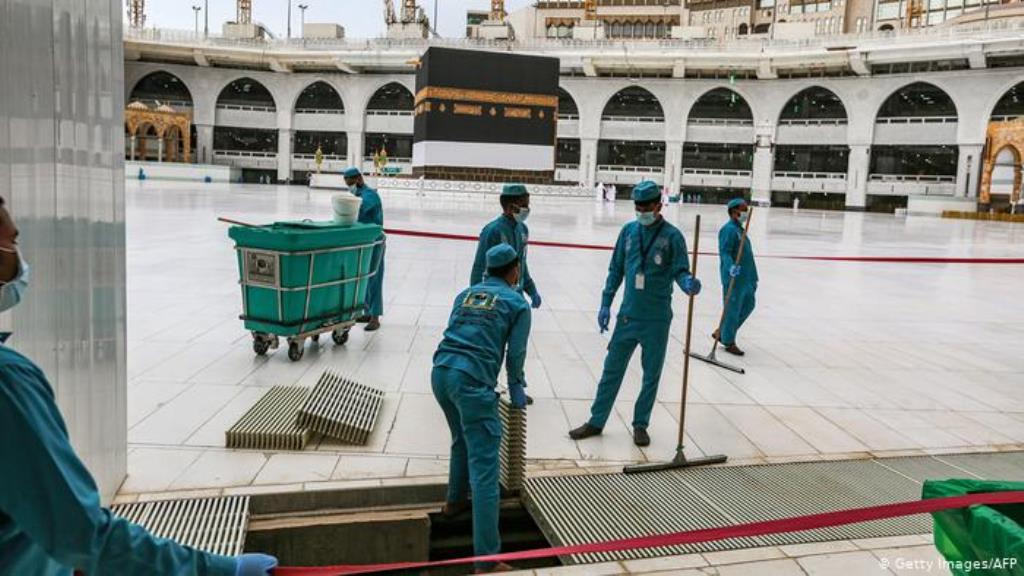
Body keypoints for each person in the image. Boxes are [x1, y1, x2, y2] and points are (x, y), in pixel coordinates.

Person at [0, 197, 276, 576]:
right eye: (12, 244)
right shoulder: (6, 385)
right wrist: (215, 570)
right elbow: (83, 536)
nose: (18, 258)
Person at [569, 180, 702, 447]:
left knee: (651, 375)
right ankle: (597, 420)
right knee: (611, 370)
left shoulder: (672, 236)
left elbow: (679, 270)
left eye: (646, 206)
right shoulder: (628, 232)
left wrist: (687, 282)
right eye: (637, 206)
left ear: (658, 204)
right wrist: (606, 302)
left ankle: (641, 424)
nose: (641, 211)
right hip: (628, 316)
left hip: (656, 319)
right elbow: (616, 269)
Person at [432, 244, 531, 574]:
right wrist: (516, 385)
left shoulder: (466, 294)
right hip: (471, 382)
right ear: (514, 271)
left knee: (460, 438)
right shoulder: (517, 303)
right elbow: (515, 353)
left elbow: (455, 330)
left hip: (441, 372)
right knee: (486, 469)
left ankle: (454, 501)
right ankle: (486, 561)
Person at [470, 183, 542, 310]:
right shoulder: (493, 231)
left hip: (516, 297)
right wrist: (477, 302)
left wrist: (532, 290)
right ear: (510, 207)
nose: (527, 209)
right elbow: (479, 267)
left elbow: (521, 263)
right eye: (524, 205)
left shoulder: (523, 230)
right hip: (496, 298)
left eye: (528, 205)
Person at [713, 198, 758, 356]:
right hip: (734, 278)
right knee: (732, 309)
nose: (745, 213)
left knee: (749, 304)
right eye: (743, 209)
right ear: (734, 211)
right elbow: (725, 252)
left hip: (747, 277)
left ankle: (723, 331)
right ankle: (729, 340)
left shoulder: (740, 229)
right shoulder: (728, 230)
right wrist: (730, 266)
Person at [344, 166, 385, 331]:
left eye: (351, 183)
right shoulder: (358, 195)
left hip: (375, 241)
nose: (350, 187)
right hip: (363, 241)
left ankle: (375, 317)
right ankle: (367, 311)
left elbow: (359, 214)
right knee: (364, 277)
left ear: (359, 179)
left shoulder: (369, 196)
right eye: (347, 184)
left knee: (374, 277)